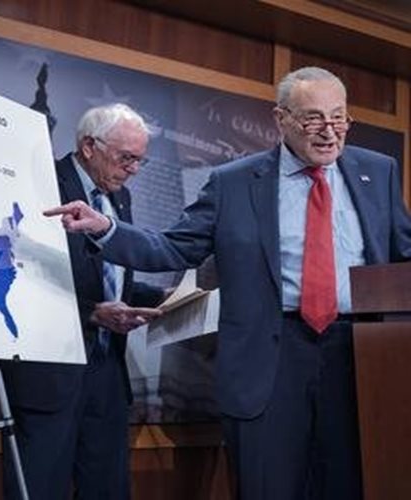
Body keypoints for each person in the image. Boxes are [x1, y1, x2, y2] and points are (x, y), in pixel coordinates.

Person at [45, 67, 411, 500]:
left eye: (339, 118)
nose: (329, 132)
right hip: (270, 363)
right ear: (281, 119)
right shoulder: (233, 182)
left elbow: (402, 258)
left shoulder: (378, 171)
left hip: (359, 359)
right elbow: (173, 249)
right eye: (313, 118)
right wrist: (105, 227)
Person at [1, 103, 165, 500]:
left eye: (140, 161)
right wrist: (91, 313)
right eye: (126, 158)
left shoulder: (119, 197)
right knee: (40, 488)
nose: (133, 171)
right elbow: (16, 273)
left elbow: (108, 278)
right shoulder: (39, 182)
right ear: (89, 146)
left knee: (107, 489)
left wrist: (163, 298)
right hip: (50, 374)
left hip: (107, 371)